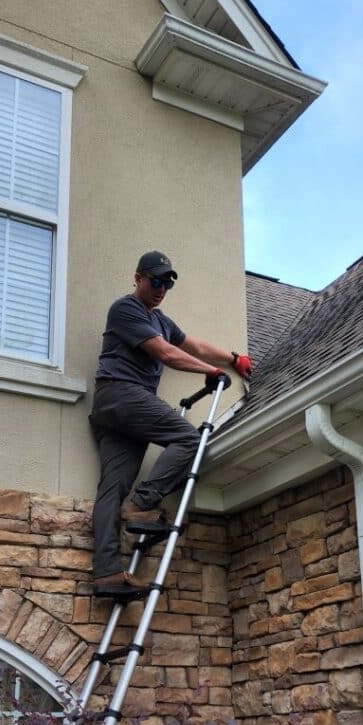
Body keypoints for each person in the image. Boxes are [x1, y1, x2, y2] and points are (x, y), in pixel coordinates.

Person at [90, 250, 254, 594]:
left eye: (167, 283)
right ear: (138, 278)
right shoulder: (125, 309)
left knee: (113, 487)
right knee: (190, 440)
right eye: (156, 281)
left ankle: (107, 573)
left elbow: (192, 345)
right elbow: (165, 353)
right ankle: (142, 504)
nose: (162, 288)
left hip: (120, 412)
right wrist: (210, 373)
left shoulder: (161, 319)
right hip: (120, 393)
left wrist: (233, 359)